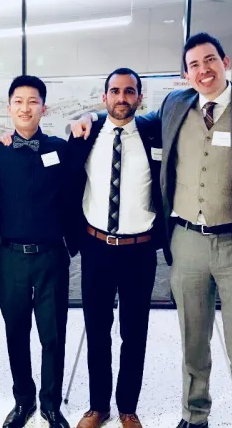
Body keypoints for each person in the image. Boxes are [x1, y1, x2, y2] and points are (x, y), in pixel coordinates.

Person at [72, 33, 232, 428]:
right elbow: (125, 118)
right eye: (194, 64)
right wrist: (92, 117)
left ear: (225, 62)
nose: (203, 70)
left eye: (209, 60)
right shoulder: (176, 105)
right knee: (193, 341)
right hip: (186, 243)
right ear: (186, 74)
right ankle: (195, 416)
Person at [68, 68, 166, 428]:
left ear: (139, 97)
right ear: (104, 96)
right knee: (96, 329)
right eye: (115, 91)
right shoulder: (85, 134)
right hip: (96, 249)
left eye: (129, 91)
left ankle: (127, 406)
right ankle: (98, 406)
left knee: (134, 332)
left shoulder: (155, 134)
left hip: (139, 252)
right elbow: (68, 184)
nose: (121, 97)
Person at [0, 75, 75, 428]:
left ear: (44, 107)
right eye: (18, 101)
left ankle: (51, 404)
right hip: (10, 255)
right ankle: (23, 400)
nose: (25, 108)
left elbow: (75, 193)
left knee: (52, 333)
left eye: (33, 101)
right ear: (9, 107)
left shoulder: (60, 148)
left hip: (51, 256)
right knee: (15, 331)